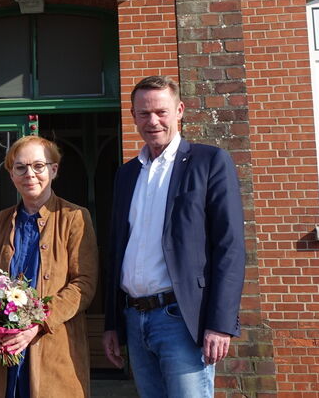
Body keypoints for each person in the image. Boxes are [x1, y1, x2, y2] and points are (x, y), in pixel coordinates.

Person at [102, 75, 245, 398]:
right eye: (143, 113)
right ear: (133, 116)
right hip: (134, 318)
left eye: (161, 112)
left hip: (181, 320)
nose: (152, 121)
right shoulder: (126, 174)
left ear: (179, 110)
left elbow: (229, 247)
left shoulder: (209, 163)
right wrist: (112, 323)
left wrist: (220, 323)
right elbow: (116, 251)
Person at [0, 135, 98, 398]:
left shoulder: (74, 217)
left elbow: (84, 283)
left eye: (39, 166)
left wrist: (38, 324)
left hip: (53, 345)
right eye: (20, 167)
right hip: (1, 350)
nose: (30, 174)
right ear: (11, 174)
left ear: (54, 169)